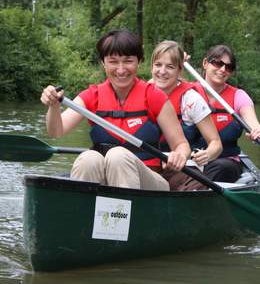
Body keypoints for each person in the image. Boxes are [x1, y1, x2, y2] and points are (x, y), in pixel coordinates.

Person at [41, 29, 191, 191]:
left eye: (128, 61)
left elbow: (182, 145)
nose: (121, 70)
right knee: (88, 158)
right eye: (113, 61)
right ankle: (83, 211)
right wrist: (54, 106)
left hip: (150, 184)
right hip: (104, 176)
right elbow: (56, 131)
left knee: (117, 155)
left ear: (139, 62)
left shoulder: (154, 96)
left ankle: (127, 213)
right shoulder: (92, 96)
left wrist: (180, 155)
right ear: (103, 63)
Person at [151, 40, 222, 190]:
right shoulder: (145, 91)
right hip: (150, 166)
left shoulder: (191, 99)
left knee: (197, 183)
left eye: (170, 67)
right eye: (158, 65)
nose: (162, 71)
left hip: (182, 169)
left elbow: (216, 144)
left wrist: (207, 154)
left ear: (179, 70)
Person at [195, 44, 260, 182]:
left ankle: (196, 190)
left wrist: (257, 131)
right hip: (191, 160)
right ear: (205, 63)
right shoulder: (187, 92)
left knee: (221, 167)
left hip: (225, 161)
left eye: (228, 67)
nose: (222, 69)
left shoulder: (239, 96)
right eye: (217, 63)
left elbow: (253, 122)